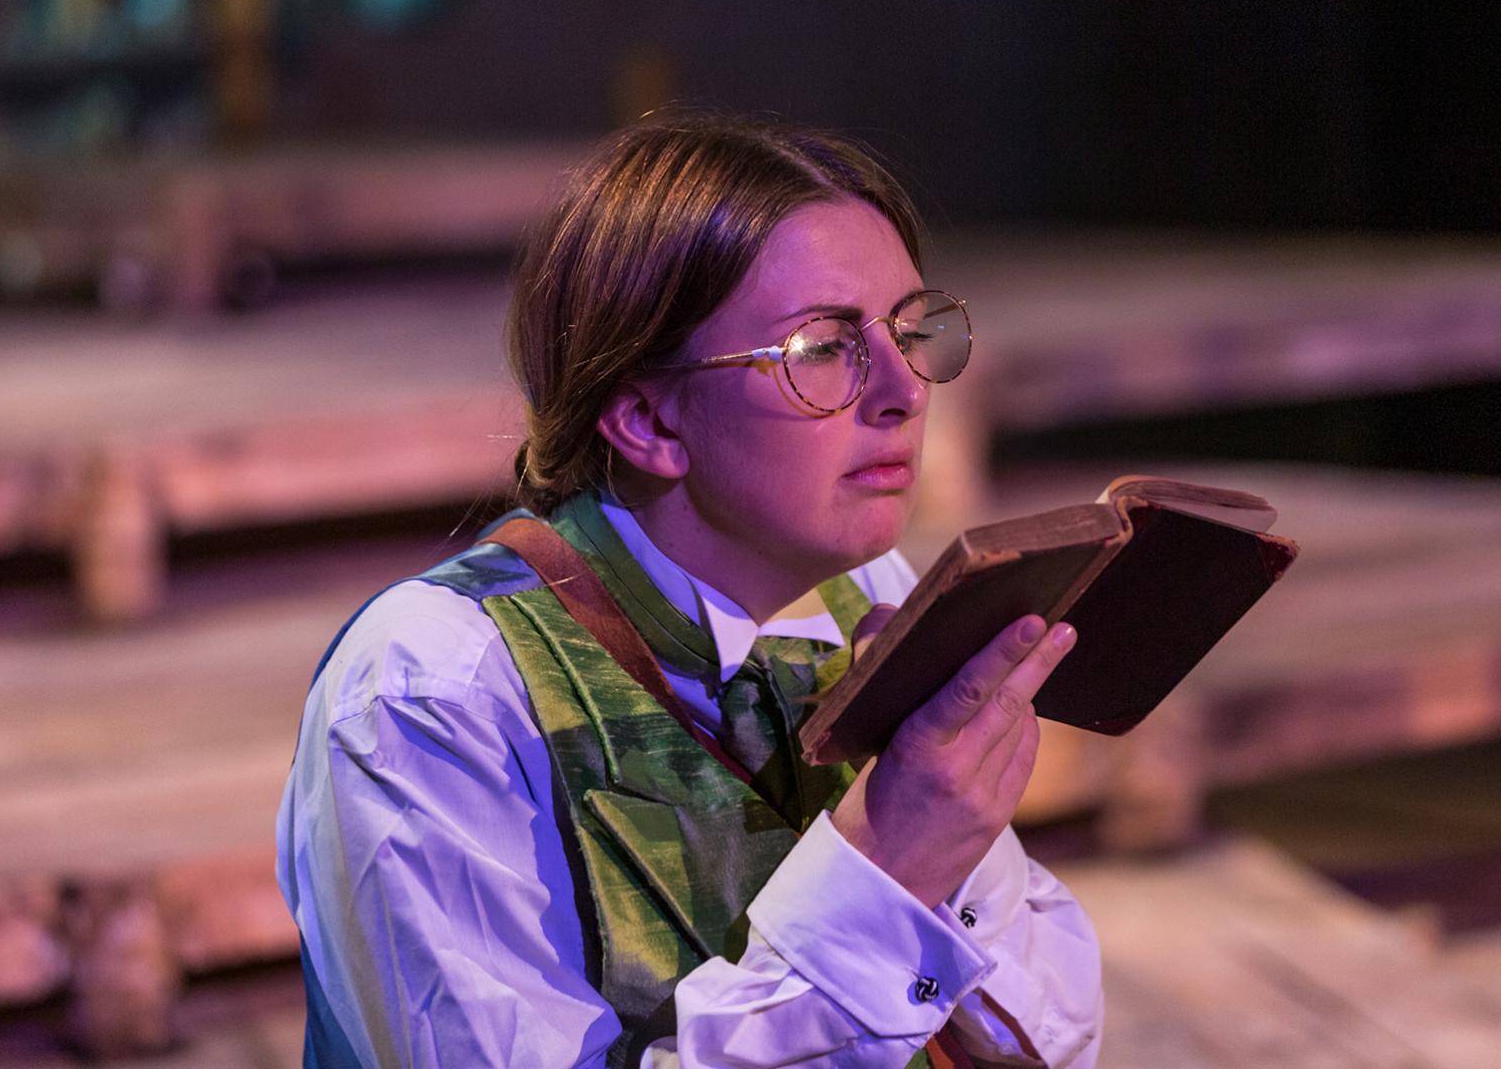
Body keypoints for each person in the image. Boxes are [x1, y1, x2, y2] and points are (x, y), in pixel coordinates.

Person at [276, 112, 1104, 1068]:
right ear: (647, 418)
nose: (906, 392)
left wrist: (954, 843)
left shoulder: (862, 595)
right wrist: (890, 867)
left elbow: (1045, 1039)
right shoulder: (435, 689)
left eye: (911, 332)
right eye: (823, 350)